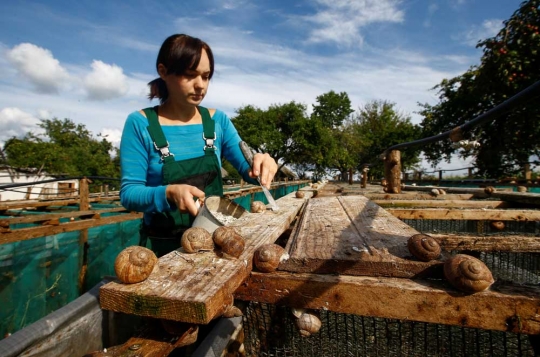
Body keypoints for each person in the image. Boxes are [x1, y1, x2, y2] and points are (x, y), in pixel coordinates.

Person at [119, 34, 278, 256]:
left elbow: (250, 171)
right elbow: (129, 194)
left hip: (215, 247)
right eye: (189, 75)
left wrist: (263, 163)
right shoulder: (140, 124)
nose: (200, 85)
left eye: (206, 76)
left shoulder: (217, 122)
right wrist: (168, 193)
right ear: (163, 71)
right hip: (163, 251)